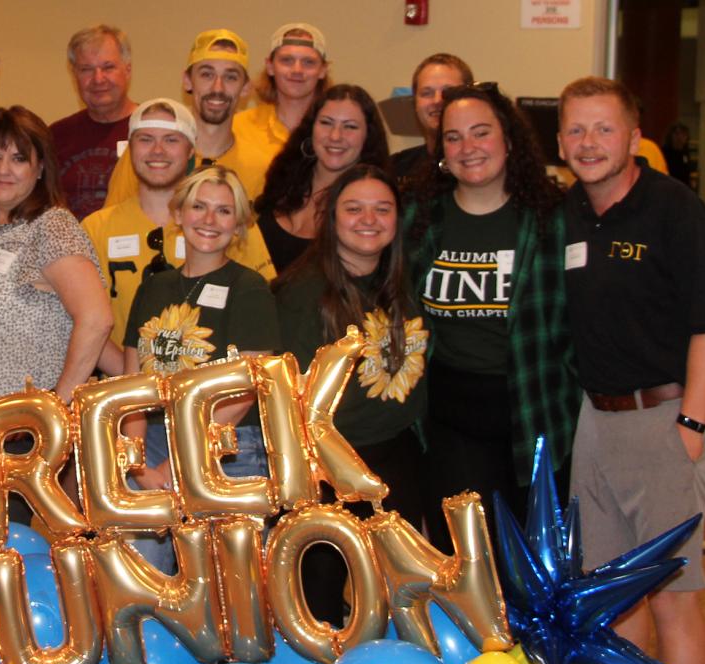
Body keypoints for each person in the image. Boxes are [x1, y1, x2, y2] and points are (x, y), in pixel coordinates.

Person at [559, 76, 705, 664]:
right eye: (576, 129)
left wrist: (691, 423)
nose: (589, 142)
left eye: (604, 128)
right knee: (611, 591)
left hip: (665, 418)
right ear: (559, 141)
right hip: (595, 425)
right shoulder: (569, 211)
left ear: (634, 137)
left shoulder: (675, 208)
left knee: (672, 596)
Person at [409, 82, 579, 552]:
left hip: (535, 409)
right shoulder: (420, 218)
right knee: (464, 560)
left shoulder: (554, 216)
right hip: (448, 418)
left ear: (508, 138)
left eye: (481, 132)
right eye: (454, 137)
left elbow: (604, 300)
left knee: (534, 563)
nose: (468, 147)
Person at [275, 164, 427, 624]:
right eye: (354, 208)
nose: (369, 219)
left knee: (391, 600)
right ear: (331, 219)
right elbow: (291, 399)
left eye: (382, 209)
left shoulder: (403, 281)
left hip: (397, 456)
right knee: (321, 606)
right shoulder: (301, 293)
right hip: (329, 467)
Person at [0, 106, 111, 508]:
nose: (4, 169)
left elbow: (97, 319)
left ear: (39, 169)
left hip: (22, 435)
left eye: (19, 158)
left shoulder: (50, 226)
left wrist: (56, 406)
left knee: (12, 558)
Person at [122, 165, 279, 573]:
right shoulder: (154, 286)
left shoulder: (249, 289)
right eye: (199, 207)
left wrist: (176, 466)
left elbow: (244, 391)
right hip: (153, 439)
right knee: (139, 572)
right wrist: (138, 464)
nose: (209, 221)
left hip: (226, 444)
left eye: (224, 212)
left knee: (228, 587)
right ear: (177, 214)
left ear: (240, 225)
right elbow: (133, 382)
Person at [83, 98, 275, 377]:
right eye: (145, 139)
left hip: (215, 397)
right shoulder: (96, 227)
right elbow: (89, 321)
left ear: (191, 150)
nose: (157, 150)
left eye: (171, 140)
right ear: (130, 148)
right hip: (130, 388)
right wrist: (136, 383)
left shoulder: (227, 222)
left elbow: (259, 315)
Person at [104, 29, 274, 208]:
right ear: (187, 81)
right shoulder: (149, 157)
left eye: (230, 77)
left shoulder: (261, 167)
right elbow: (112, 226)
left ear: (246, 87)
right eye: (207, 74)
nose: (218, 87)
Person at [254, 84, 390, 273]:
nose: (335, 136)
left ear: (367, 137)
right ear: (311, 128)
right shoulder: (283, 182)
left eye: (350, 126)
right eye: (326, 123)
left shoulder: (369, 210)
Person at [50, 25, 137, 219]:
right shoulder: (55, 136)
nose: (98, 79)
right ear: (74, 76)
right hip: (68, 247)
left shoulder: (153, 131)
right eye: (86, 69)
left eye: (108, 67)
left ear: (128, 70)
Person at [232, 22, 331, 157]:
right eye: (287, 60)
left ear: (323, 70)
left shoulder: (336, 132)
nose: (297, 70)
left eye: (308, 62)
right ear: (270, 66)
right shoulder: (238, 128)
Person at [390, 53, 473, 181]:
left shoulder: (483, 164)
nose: (437, 100)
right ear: (414, 104)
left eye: (448, 92)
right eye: (426, 93)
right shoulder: (395, 169)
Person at [662, 121, 695, 187]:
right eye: (677, 134)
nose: (680, 137)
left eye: (683, 134)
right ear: (671, 136)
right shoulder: (664, 152)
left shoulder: (685, 152)